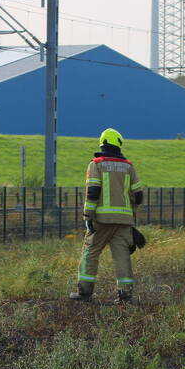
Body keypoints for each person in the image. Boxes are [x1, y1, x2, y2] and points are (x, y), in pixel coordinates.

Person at [69, 128, 144, 304]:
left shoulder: (96, 164)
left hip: (101, 221)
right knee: (122, 257)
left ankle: (85, 292)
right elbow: (138, 196)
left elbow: (93, 192)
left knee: (90, 252)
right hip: (124, 222)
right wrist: (130, 216)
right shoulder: (129, 166)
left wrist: (88, 216)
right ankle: (125, 296)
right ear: (118, 144)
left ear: (102, 143)